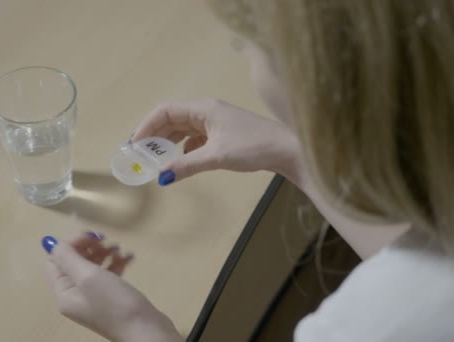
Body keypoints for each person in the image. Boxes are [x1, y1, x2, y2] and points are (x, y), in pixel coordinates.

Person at [43, 0, 454, 341]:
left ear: (322, 81)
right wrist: (290, 153)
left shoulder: (377, 326)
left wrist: (141, 329)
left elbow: (418, 291)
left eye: (247, 45)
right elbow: (428, 260)